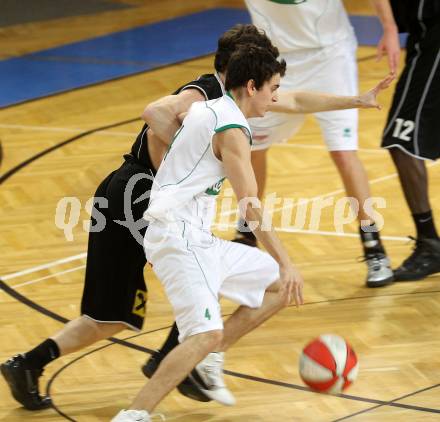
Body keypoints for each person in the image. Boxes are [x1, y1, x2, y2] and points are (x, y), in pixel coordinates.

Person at [0, 23, 393, 411]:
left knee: (112, 317)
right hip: (142, 194)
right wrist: (192, 151)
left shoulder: (233, 98)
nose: (274, 92)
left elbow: (295, 101)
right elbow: (154, 111)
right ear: (243, 68)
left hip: (122, 192)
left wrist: (355, 101)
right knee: (201, 270)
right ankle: (179, 365)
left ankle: (29, 364)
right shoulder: (207, 90)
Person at [112, 43, 301, 422]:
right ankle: (133, 416)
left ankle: (205, 360)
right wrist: (287, 259)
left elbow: (156, 115)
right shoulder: (232, 129)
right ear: (251, 86)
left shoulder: (204, 108)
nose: (276, 96)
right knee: (205, 332)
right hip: (179, 238)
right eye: (273, 87)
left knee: (280, 286)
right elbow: (250, 207)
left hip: (195, 238)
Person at [242, 0, 401, 288]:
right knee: (253, 147)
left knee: (343, 152)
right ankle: (246, 234)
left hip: (329, 54)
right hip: (273, 59)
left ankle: (373, 245)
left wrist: (389, 27)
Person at [372, 0, 440, 280]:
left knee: (401, 141)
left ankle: (429, 243)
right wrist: (389, 25)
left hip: (434, 43)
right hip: (422, 38)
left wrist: (389, 25)